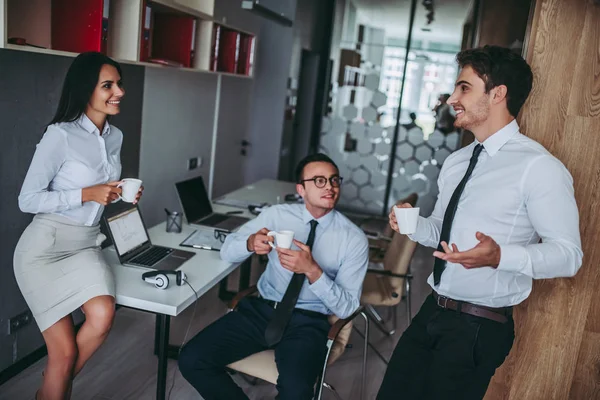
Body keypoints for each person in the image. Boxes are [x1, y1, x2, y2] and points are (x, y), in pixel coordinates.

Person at [378, 45, 583, 400]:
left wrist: (500, 257)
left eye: (464, 88)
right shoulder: (457, 161)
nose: (452, 98)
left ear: (498, 93)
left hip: (478, 327)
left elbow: (569, 256)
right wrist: (410, 224)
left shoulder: (539, 167)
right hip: (432, 310)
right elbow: (441, 232)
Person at [178, 153, 369, 399]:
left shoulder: (353, 239)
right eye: (319, 180)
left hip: (309, 322)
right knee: (192, 359)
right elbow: (227, 249)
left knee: (296, 390)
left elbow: (347, 308)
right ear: (301, 189)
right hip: (261, 310)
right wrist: (249, 243)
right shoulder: (277, 215)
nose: (330, 187)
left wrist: (313, 271)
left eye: (334, 180)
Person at [14, 52, 142, 400]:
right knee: (64, 354)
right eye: (108, 85)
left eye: (118, 84)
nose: (119, 91)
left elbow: (98, 193)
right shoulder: (60, 135)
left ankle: (51, 389)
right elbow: (28, 200)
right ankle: (54, 389)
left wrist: (115, 192)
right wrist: (85, 192)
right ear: (86, 88)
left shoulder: (115, 136)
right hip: (45, 248)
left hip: (85, 243)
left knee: (102, 315)